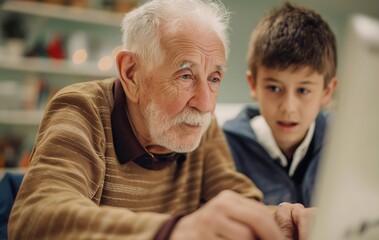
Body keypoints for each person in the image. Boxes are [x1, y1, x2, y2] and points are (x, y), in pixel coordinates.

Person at [8, 0, 314, 239]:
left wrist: (283, 220)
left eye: (214, 77)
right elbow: (36, 216)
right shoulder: (81, 108)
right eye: (185, 75)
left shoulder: (201, 126)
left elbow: (238, 200)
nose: (206, 104)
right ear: (131, 74)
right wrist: (173, 231)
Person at [223, 2, 338, 207]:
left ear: (327, 91)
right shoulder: (225, 148)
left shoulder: (344, 142)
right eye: (274, 88)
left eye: (303, 90)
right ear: (253, 85)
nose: (288, 107)